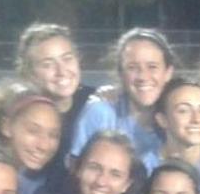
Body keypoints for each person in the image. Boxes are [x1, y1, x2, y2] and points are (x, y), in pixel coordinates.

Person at [68, 28, 175, 159]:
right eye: (132, 67)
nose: (143, 76)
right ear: (121, 74)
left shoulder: (179, 120)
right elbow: (76, 167)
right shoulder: (101, 114)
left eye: (152, 67)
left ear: (168, 72)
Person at [14, 23, 96, 172]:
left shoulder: (98, 103)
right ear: (30, 73)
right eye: (47, 64)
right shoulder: (20, 113)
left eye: (67, 59)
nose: (61, 71)